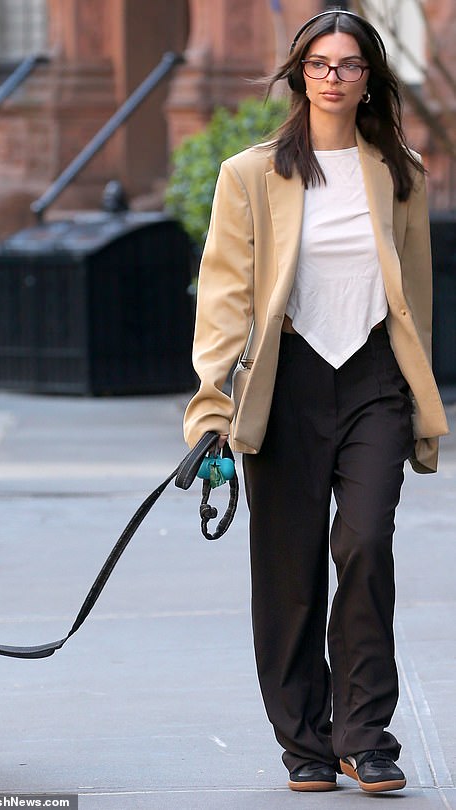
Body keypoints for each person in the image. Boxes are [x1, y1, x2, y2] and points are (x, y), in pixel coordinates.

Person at [183, 8, 449, 795]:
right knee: (288, 571)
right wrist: (211, 409)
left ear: (370, 77)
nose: (335, 77)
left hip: (374, 383)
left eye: (351, 65)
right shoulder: (251, 174)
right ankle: (305, 738)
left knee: (365, 545)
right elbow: (225, 298)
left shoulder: (400, 171)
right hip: (287, 384)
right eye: (321, 64)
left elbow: (418, 299)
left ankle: (366, 734)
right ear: (300, 72)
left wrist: (417, 392)